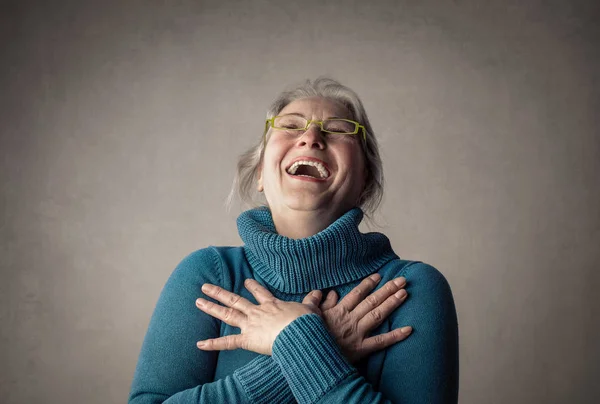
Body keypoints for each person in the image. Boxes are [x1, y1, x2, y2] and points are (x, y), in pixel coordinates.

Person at [128, 78, 459, 403]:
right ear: (260, 173)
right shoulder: (207, 274)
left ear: (365, 182)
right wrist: (313, 346)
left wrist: (294, 341)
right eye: (290, 125)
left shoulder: (409, 289)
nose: (311, 137)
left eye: (339, 129)